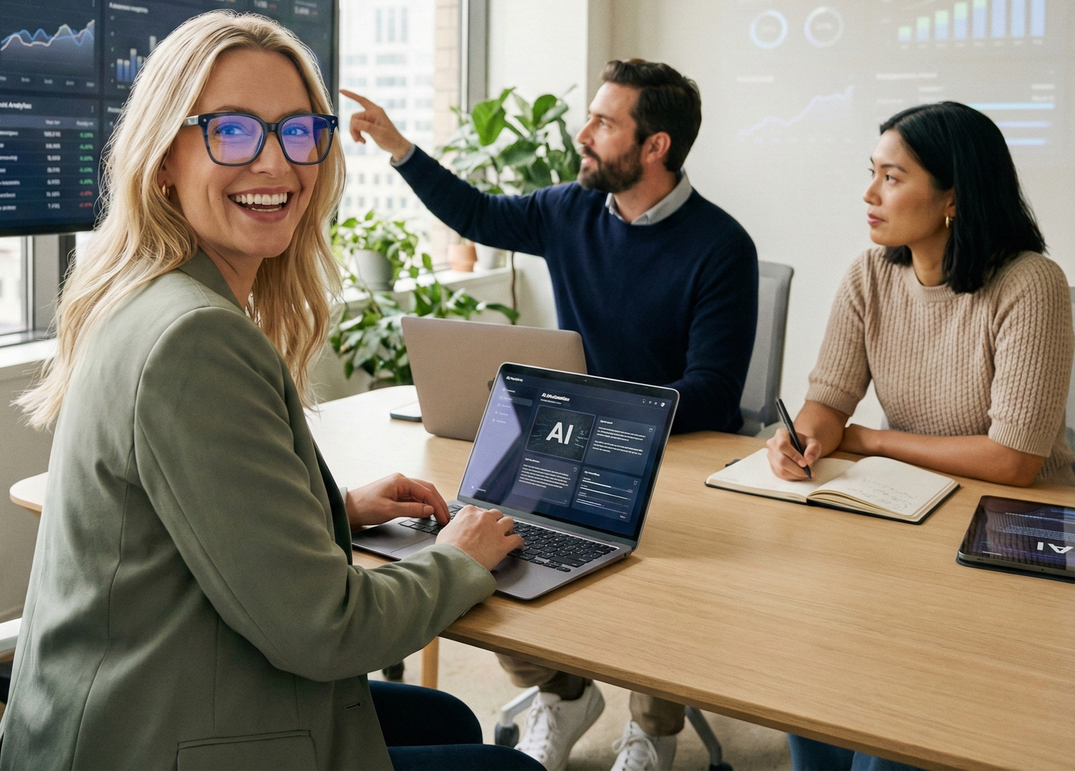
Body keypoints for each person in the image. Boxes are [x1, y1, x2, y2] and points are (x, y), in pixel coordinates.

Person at [0, 12, 542, 771]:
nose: (277, 164)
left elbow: (180, 516)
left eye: (297, 131)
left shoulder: (144, 296)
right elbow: (327, 629)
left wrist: (332, 511)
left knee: (442, 713)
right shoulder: (194, 338)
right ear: (163, 161)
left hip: (128, 700)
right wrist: (459, 557)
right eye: (233, 132)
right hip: (150, 740)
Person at [345, 59, 759, 771]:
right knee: (485, 535)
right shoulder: (570, 210)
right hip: (573, 440)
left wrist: (606, 417)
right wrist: (398, 148)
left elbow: (715, 392)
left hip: (673, 450)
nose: (583, 132)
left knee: (667, 575)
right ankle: (564, 696)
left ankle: (654, 728)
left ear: (654, 146)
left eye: (603, 122)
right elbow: (477, 213)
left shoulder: (721, 247)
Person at [768, 101, 1074, 771]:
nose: (869, 194)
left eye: (892, 177)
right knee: (809, 681)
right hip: (908, 512)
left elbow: (1015, 458)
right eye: (871, 173)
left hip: (1015, 534)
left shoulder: (1033, 284)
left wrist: (871, 441)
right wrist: (804, 438)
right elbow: (828, 402)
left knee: (896, 734)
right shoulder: (870, 274)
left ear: (952, 200)